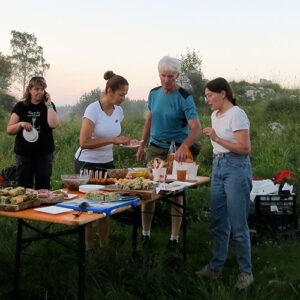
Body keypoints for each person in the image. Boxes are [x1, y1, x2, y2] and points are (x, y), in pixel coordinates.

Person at [136, 56, 201, 252]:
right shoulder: (154, 93)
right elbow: (150, 119)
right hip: (155, 147)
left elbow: (196, 127)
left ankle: (174, 238)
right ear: (159, 75)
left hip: (177, 152)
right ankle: (145, 235)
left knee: (175, 193)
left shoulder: (184, 97)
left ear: (177, 76)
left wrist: (184, 147)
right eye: (163, 76)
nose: (166, 80)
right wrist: (142, 144)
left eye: (170, 76)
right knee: (150, 192)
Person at [196, 77, 253, 290]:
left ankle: (246, 272)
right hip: (218, 167)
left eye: (210, 95)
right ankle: (215, 267)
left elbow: (245, 148)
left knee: (238, 225)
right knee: (219, 222)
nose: (208, 100)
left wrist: (217, 138)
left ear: (223, 93)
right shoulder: (214, 114)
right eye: (206, 96)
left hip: (236, 168)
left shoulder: (237, 114)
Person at [74, 70, 132, 249]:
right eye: (121, 94)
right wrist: (113, 140)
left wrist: (123, 142)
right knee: (89, 203)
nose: (124, 98)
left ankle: (104, 245)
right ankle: (88, 245)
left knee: (107, 203)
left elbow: (112, 135)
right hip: (88, 163)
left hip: (107, 162)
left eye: (125, 95)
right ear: (109, 92)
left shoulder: (118, 111)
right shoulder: (93, 109)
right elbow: (84, 142)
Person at [7, 76, 59, 189]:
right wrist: (21, 124)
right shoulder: (21, 106)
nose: (39, 92)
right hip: (24, 155)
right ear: (29, 90)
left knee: (43, 187)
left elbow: (53, 124)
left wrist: (49, 104)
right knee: (24, 187)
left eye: (42, 89)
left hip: (44, 154)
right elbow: (9, 129)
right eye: (36, 89)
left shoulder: (49, 106)